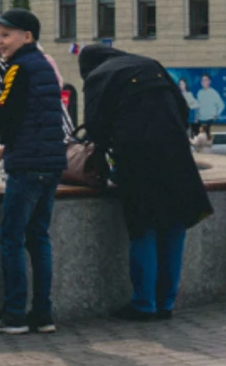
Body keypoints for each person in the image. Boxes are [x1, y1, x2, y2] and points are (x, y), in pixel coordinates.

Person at [76, 44, 214, 322]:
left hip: (137, 159)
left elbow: (95, 125)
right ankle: (166, 303)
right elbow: (182, 107)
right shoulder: (151, 64)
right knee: (174, 228)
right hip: (176, 156)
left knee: (144, 229)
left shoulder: (98, 76)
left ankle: (144, 304)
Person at [0, 9, 68, 335]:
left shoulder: (18, 69)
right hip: (51, 165)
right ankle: (43, 314)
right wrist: (4, 152)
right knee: (38, 238)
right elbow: (41, 123)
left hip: (27, 169)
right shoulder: (44, 67)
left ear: (26, 36)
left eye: (5, 35)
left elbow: (7, 120)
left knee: (11, 239)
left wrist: (2, 143)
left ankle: (14, 315)